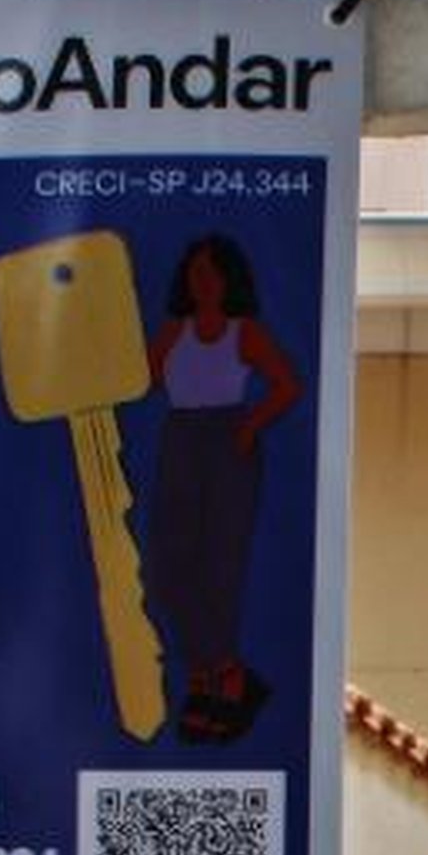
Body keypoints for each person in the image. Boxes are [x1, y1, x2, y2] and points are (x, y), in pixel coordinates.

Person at [138, 232, 302, 741]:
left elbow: (287, 384)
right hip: (181, 440)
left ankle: (209, 683)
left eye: (211, 273)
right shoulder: (174, 332)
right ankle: (223, 669)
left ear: (228, 279)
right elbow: (142, 379)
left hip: (226, 442)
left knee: (219, 565)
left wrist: (249, 427)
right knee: (166, 570)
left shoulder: (243, 332)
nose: (202, 282)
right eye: (195, 273)